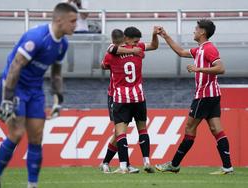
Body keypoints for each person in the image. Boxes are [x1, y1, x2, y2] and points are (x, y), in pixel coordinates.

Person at [0, 3, 77, 188]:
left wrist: (59, 98)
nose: (76, 25)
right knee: (17, 134)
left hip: (35, 90)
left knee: (36, 137)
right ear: (59, 20)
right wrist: (6, 99)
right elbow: (15, 67)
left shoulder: (63, 45)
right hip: (15, 85)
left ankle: (32, 185)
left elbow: (56, 73)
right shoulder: (36, 37)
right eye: (73, 21)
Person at [155, 19, 233, 175]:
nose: (194, 31)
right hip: (213, 95)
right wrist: (165, 36)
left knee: (189, 128)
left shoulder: (209, 48)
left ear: (203, 32)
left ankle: (174, 164)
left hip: (204, 95)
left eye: (196, 29)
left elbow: (221, 68)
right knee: (216, 129)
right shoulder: (200, 49)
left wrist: (199, 69)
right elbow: (181, 52)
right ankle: (227, 167)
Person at [102, 26, 160, 173]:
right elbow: (153, 46)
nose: (137, 44)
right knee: (139, 129)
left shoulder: (112, 52)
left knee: (120, 132)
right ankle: (143, 161)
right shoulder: (139, 49)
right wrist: (134, 50)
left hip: (120, 97)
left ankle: (121, 166)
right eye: (134, 42)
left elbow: (104, 64)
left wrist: (153, 35)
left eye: (137, 42)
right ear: (126, 38)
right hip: (138, 96)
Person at [100, 29, 142, 174]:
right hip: (115, 95)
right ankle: (121, 164)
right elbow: (105, 61)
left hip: (123, 96)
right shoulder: (112, 51)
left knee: (119, 132)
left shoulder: (122, 51)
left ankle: (109, 162)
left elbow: (103, 65)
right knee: (119, 131)